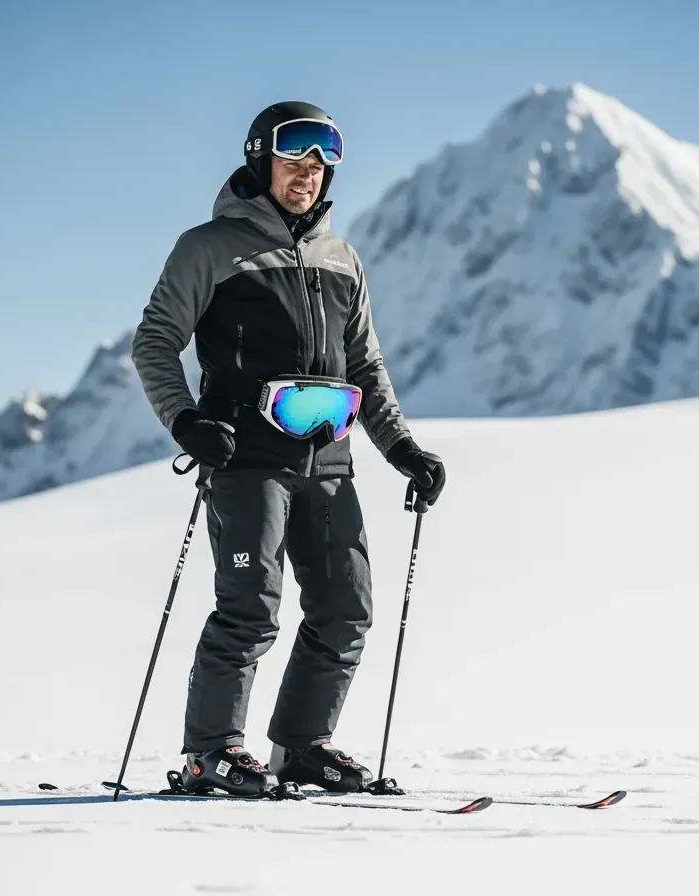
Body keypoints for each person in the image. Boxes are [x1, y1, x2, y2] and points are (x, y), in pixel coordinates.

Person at [130, 101, 446, 796]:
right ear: (258, 157)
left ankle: (302, 748)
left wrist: (406, 452)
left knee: (346, 607)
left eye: (319, 162)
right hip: (245, 457)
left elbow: (366, 368)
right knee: (250, 606)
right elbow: (154, 342)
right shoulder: (208, 247)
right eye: (292, 157)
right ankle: (209, 753)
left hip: (328, 459)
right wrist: (185, 421)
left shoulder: (343, 259)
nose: (307, 173)